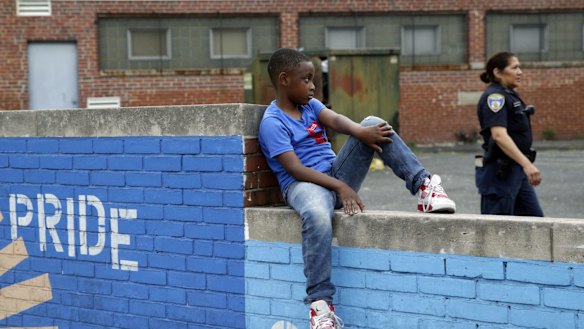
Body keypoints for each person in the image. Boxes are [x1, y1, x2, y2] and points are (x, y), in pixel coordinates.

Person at [258, 48, 456, 329]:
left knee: (373, 123)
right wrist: (341, 186)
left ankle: (424, 186)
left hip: (334, 174)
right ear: (284, 79)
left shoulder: (309, 105)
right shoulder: (273, 122)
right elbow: (294, 169)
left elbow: (336, 120)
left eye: (313, 79)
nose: (313, 86)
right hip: (304, 185)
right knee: (315, 214)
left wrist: (360, 131)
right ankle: (320, 307)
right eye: (307, 79)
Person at [476, 51, 543, 216]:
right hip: (500, 173)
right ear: (497, 72)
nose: (520, 72)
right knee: (497, 230)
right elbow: (499, 135)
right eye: (514, 68)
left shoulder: (510, 95)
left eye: (520, 67)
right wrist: (527, 165)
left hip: (516, 171)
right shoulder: (495, 97)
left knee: (535, 223)